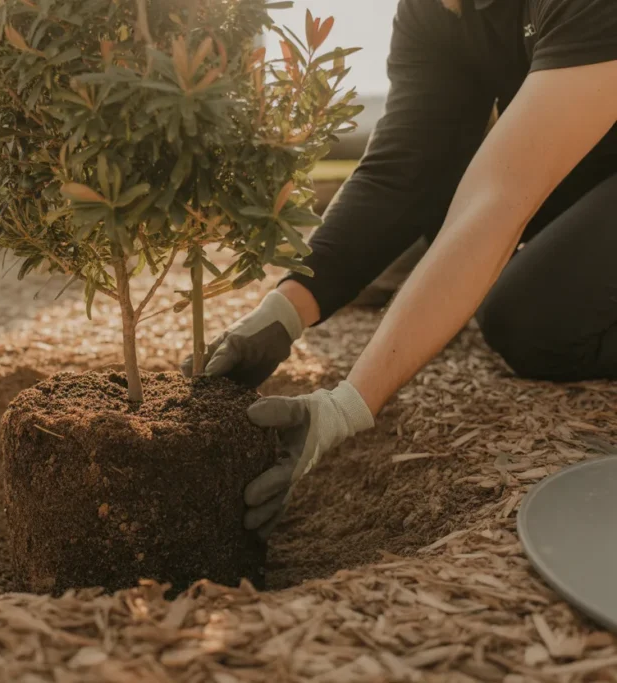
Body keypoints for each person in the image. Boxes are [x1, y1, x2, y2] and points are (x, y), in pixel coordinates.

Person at [183, 0, 617, 540]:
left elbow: (498, 198)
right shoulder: (434, 11)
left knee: (533, 318)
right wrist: (286, 309)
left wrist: (346, 407)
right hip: (595, 162)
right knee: (441, 233)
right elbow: (402, 168)